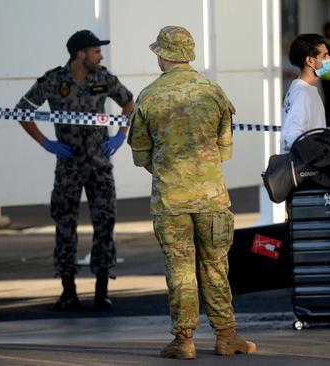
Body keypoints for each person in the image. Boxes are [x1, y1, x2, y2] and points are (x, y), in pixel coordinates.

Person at [128, 26, 256, 359]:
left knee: (180, 269)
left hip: (171, 200)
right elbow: (225, 150)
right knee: (216, 266)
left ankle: (184, 341)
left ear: (162, 55)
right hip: (212, 198)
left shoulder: (148, 96)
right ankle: (227, 336)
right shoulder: (214, 92)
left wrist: (170, 171)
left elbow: (141, 156)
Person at [16, 30, 134, 311]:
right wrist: (45, 142)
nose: (100, 55)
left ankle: (101, 291)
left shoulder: (104, 77)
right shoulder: (53, 80)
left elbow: (129, 102)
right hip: (68, 166)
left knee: (104, 226)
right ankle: (68, 290)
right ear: (80, 54)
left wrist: (121, 134)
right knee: (65, 226)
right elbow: (23, 110)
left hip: (99, 166)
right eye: (95, 51)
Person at [281, 33, 330, 154]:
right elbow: (290, 138)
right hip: (302, 170)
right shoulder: (302, 94)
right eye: (324, 56)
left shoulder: (305, 90)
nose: (329, 59)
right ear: (310, 61)